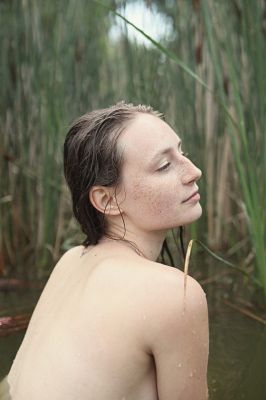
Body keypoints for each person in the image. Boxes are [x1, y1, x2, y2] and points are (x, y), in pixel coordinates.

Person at [7, 102, 209, 399]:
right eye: (164, 165)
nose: (194, 171)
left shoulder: (71, 260)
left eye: (183, 153)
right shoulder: (174, 295)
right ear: (107, 200)